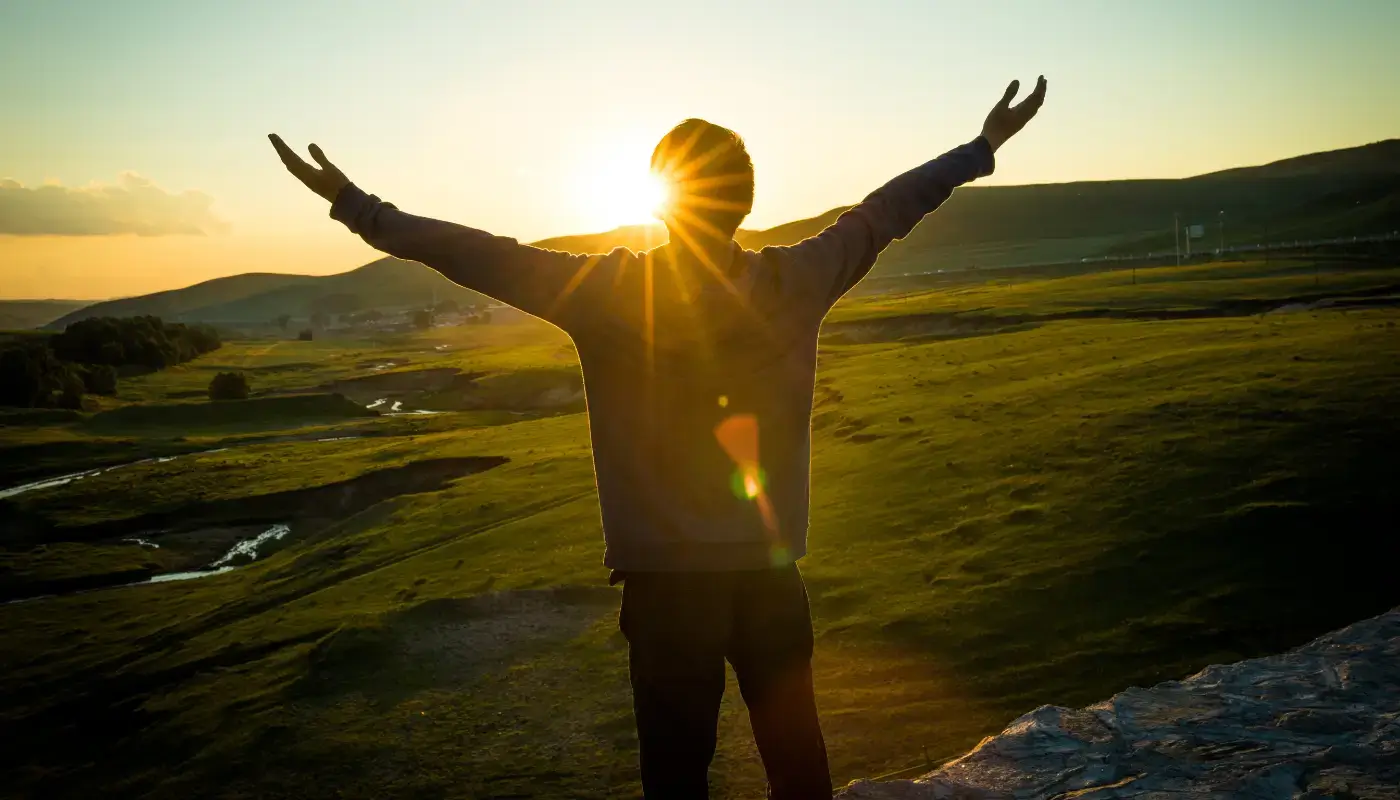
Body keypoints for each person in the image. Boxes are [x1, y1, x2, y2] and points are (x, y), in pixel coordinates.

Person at [270, 75, 1046, 800]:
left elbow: (477, 255)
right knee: (798, 764)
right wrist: (979, 149)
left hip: (668, 587)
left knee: (675, 774)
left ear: (662, 202)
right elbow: (885, 211)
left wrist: (353, 203)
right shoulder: (798, 279)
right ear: (744, 200)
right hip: (771, 574)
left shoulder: (609, 292)